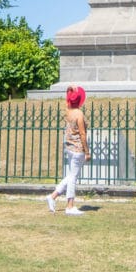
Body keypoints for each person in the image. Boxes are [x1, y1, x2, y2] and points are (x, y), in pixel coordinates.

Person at [47, 85, 90, 215]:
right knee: (73, 178)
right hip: (77, 149)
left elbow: (67, 100)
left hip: (69, 147)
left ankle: (52, 196)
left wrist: (70, 89)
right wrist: (87, 152)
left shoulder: (68, 111)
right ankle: (70, 206)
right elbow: (82, 134)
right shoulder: (79, 114)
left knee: (71, 175)